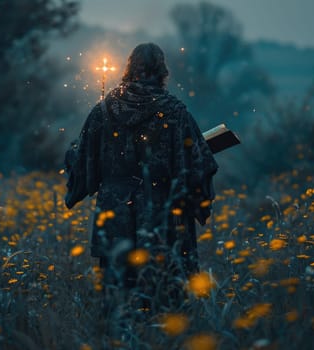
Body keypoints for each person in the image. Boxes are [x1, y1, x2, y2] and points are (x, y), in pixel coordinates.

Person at [65, 43, 218, 302]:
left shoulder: (103, 110)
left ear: (129, 68)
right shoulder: (175, 112)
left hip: (114, 209)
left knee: (118, 293)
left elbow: (80, 160)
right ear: (162, 71)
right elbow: (199, 165)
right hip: (161, 209)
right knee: (164, 289)